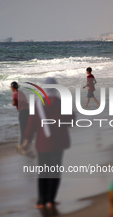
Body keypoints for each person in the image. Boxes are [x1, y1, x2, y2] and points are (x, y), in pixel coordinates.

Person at [22, 77, 74, 209]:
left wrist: (26, 139)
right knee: (55, 171)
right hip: (58, 142)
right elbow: (71, 120)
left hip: (43, 143)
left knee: (43, 172)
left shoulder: (38, 103)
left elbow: (31, 123)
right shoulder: (61, 103)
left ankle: (41, 201)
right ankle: (51, 200)